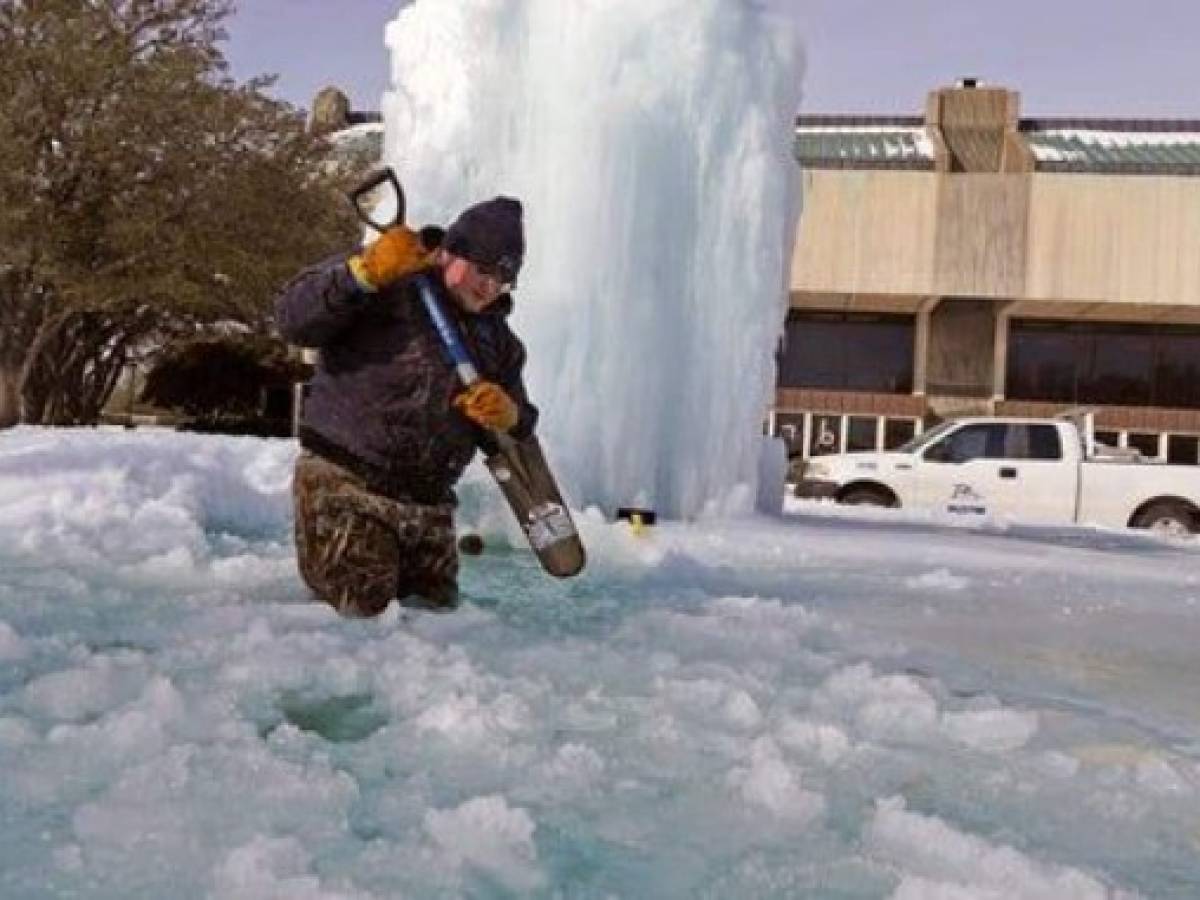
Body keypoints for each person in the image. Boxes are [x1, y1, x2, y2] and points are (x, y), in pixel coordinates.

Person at [275, 197, 537, 616]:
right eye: (483, 271)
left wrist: (510, 416)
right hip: (347, 488)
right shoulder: (387, 275)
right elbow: (292, 319)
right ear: (452, 251)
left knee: (439, 630)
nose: (490, 288)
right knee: (362, 618)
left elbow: (520, 426)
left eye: (504, 280)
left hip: (430, 509)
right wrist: (358, 276)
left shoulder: (499, 344)